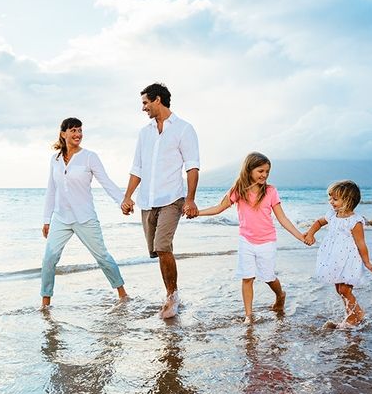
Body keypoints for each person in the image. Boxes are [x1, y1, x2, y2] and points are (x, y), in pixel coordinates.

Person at [195, 152, 306, 324]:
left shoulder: (270, 191)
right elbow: (219, 208)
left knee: (268, 277)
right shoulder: (238, 190)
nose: (264, 175)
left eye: (267, 172)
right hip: (246, 240)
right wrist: (197, 213)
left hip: (267, 241)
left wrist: (300, 236)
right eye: (260, 171)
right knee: (247, 277)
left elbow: (282, 218)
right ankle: (249, 316)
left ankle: (280, 295)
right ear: (249, 169)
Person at [121, 83, 200, 319]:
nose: (143, 107)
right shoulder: (144, 133)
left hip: (172, 198)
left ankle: (172, 296)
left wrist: (191, 199)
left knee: (163, 245)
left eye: (145, 102)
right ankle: (170, 291)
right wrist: (127, 196)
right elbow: (137, 168)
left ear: (158, 100)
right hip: (147, 201)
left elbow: (192, 166)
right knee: (157, 250)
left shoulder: (184, 129)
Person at [41, 117, 127, 308]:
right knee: (49, 259)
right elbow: (51, 190)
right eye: (73, 130)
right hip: (61, 218)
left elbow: (105, 181)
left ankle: (122, 294)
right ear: (63, 134)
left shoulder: (89, 157)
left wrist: (122, 201)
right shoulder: (54, 159)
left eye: (80, 130)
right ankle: (45, 303)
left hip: (85, 217)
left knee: (102, 257)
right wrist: (47, 219)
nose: (78, 134)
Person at [303, 180, 372, 327]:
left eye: (335, 199)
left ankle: (355, 315)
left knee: (345, 289)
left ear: (348, 200)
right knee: (339, 289)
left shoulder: (355, 221)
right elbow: (318, 222)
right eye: (330, 198)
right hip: (334, 258)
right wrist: (310, 234)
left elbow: (361, 243)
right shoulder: (332, 215)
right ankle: (352, 314)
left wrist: (367, 263)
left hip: (349, 259)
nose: (331, 201)